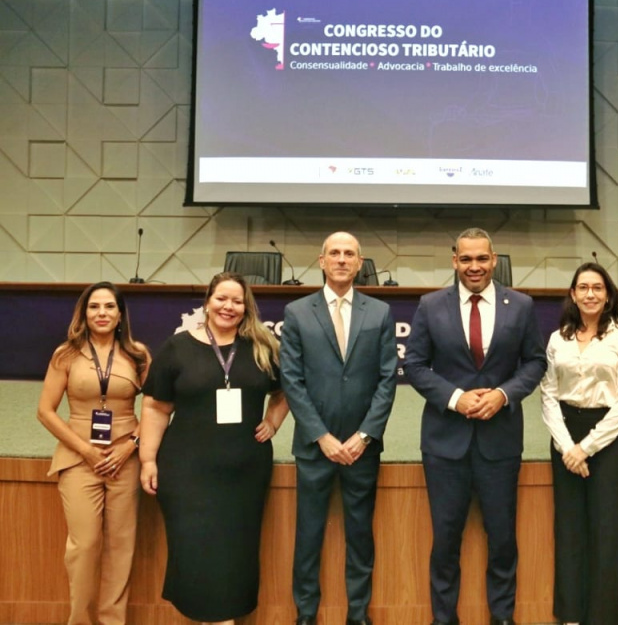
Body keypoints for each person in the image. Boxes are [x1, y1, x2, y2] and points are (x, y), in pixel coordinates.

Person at [404, 227, 546, 625]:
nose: (474, 266)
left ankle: (502, 617)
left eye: (482, 258)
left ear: (494, 260)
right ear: (454, 261)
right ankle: (443, 619)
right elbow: (414, 365)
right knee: (445, 541)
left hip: (500, 443)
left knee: (502, 539)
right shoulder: (431, 305)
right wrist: (455, 398)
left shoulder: (521, 305)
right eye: (466, 259)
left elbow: (535, 361)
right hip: (444, 444)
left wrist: (503, 395)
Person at [139, 272, 289, 624]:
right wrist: (147, 460)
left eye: (237, 301)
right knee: (195, 551)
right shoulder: (177, 347)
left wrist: (273, 422)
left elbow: (286, 392)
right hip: (186, 474)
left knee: (235, 553)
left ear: (246, 307)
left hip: (244, 476)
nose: (228, 307)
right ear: (207, 302)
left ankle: (224, 618)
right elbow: (155, 407)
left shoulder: (262, 347)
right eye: (221, 298)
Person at [280, 231, 398, 625]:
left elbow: (387, 379)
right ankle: (306, 613)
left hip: (362, 447)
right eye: (335, 253)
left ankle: (358, 613)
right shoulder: (297, 312)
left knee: (360, 535)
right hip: (315, 446)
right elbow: (291, 379)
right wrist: (322, 436)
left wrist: (364, 435)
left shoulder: (379, 313)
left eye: (350, 254)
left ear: (360, 263)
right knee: (308, 534)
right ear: (322, 260)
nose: (342, 259)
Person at [36, 282, 150, 625]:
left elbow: (157, 407)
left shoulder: (138, 354)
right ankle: (80, 620)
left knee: (120, 546)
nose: (101, 313)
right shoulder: (65, 355)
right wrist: (86, 451)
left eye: (109, 307)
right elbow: (45, 411)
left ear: (120, 315)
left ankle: (112, 620)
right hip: (79, 458)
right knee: (84, 545)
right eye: (94, 307)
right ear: (84, 314)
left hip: (125, 460)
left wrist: (131, 444)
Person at [539, 262, 618, 625]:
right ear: (573, 294)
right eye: (583, 287)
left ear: (608, 294)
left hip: (608, 438)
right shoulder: (558, 339)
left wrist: (587, 448)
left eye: (597, 287)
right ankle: (570, 615)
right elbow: (548, 395)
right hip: (566, 435)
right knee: (569, 531)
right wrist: (568, 447)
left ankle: (602, 617)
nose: (590, 294)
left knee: (605, 531)